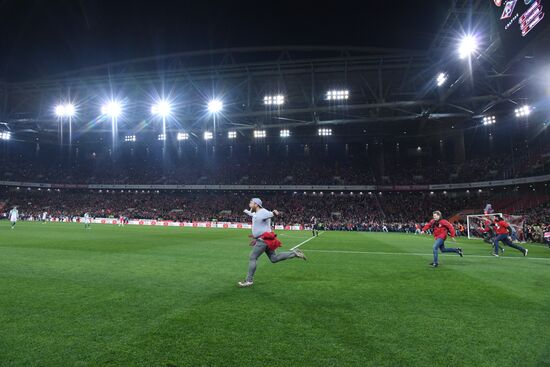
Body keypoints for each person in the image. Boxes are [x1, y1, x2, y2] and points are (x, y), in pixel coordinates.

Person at [238, 198, 306, 288]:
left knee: (252, 257)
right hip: (266, 240)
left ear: (256, 204)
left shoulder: (263, 212)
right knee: (274, 258)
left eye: (251, 202)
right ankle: (294, 253)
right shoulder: (257, 213)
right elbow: (253, 215)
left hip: (263, 240)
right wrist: (247, 211)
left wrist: (274, 212)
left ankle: (249, 280)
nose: (249, 204)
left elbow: (270, 214)